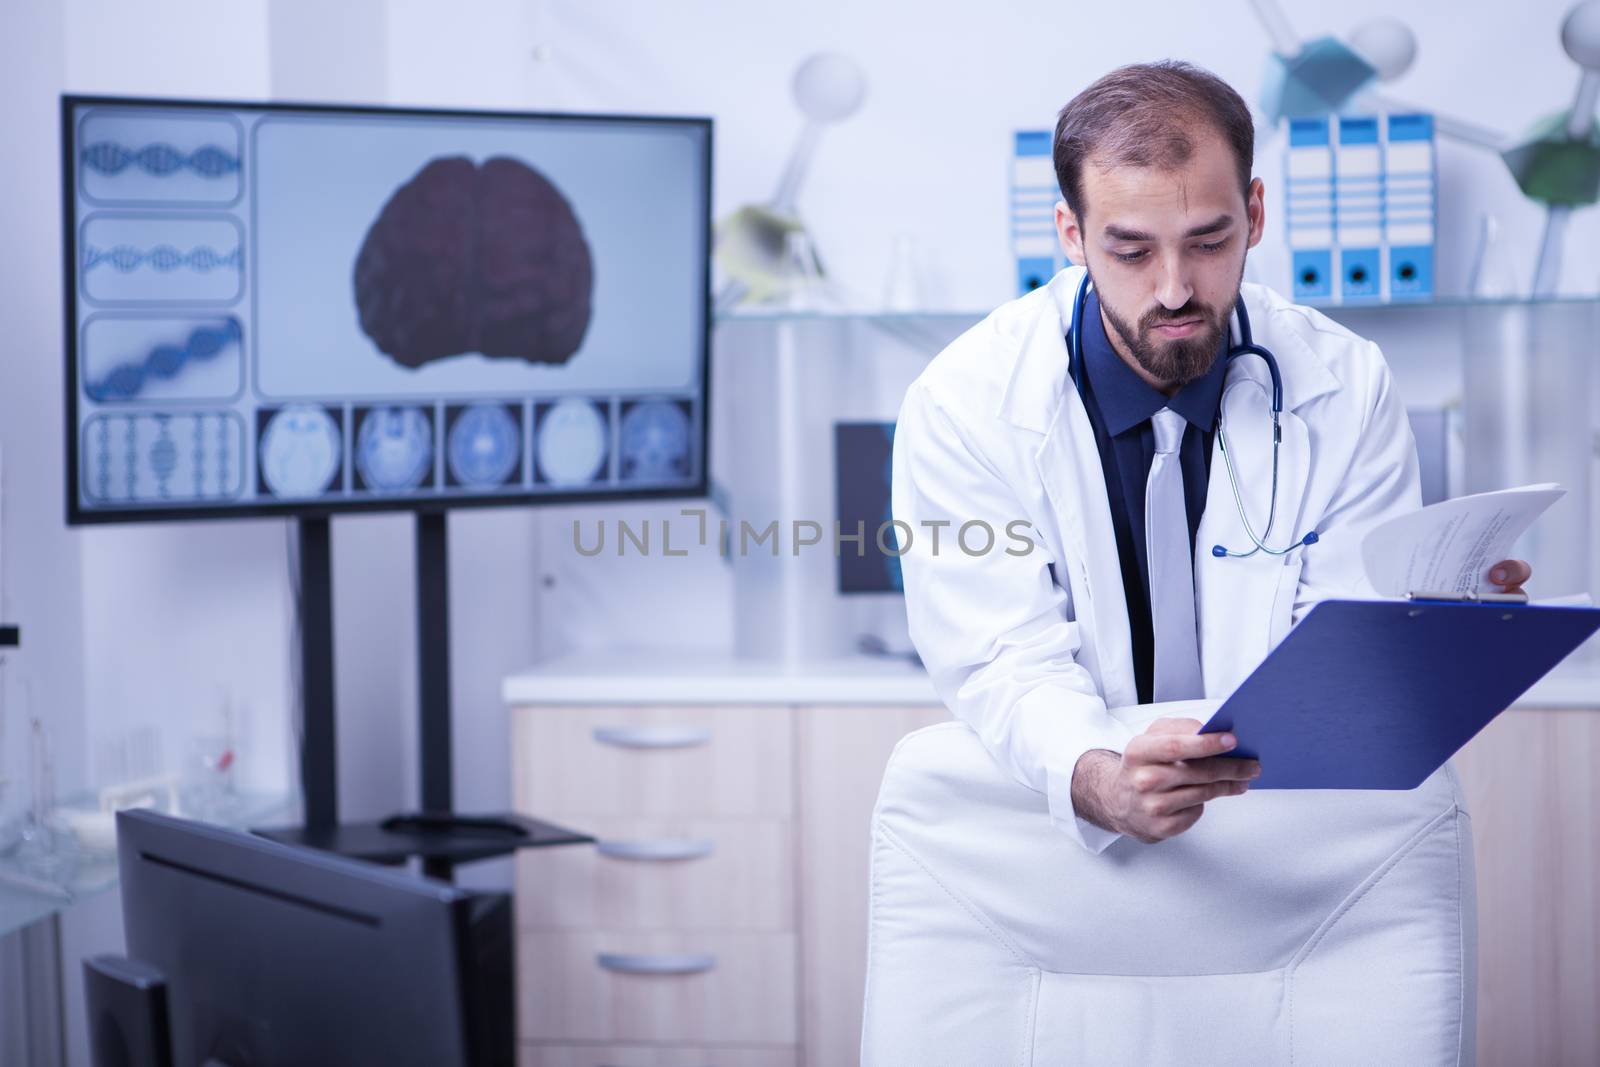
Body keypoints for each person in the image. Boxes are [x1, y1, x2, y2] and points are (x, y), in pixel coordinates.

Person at [891, 60, 1530, 851]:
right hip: (1060, 840)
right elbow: (1000, 660)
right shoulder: (964, 403)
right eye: (1129, 250)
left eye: (1208, 241)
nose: (1173, 290)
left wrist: (1436, 627)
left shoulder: (1345, 382)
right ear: (1071, 236)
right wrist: (1100, 774)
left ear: (1254, 214)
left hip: (1290, 829)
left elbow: (1333, 648)